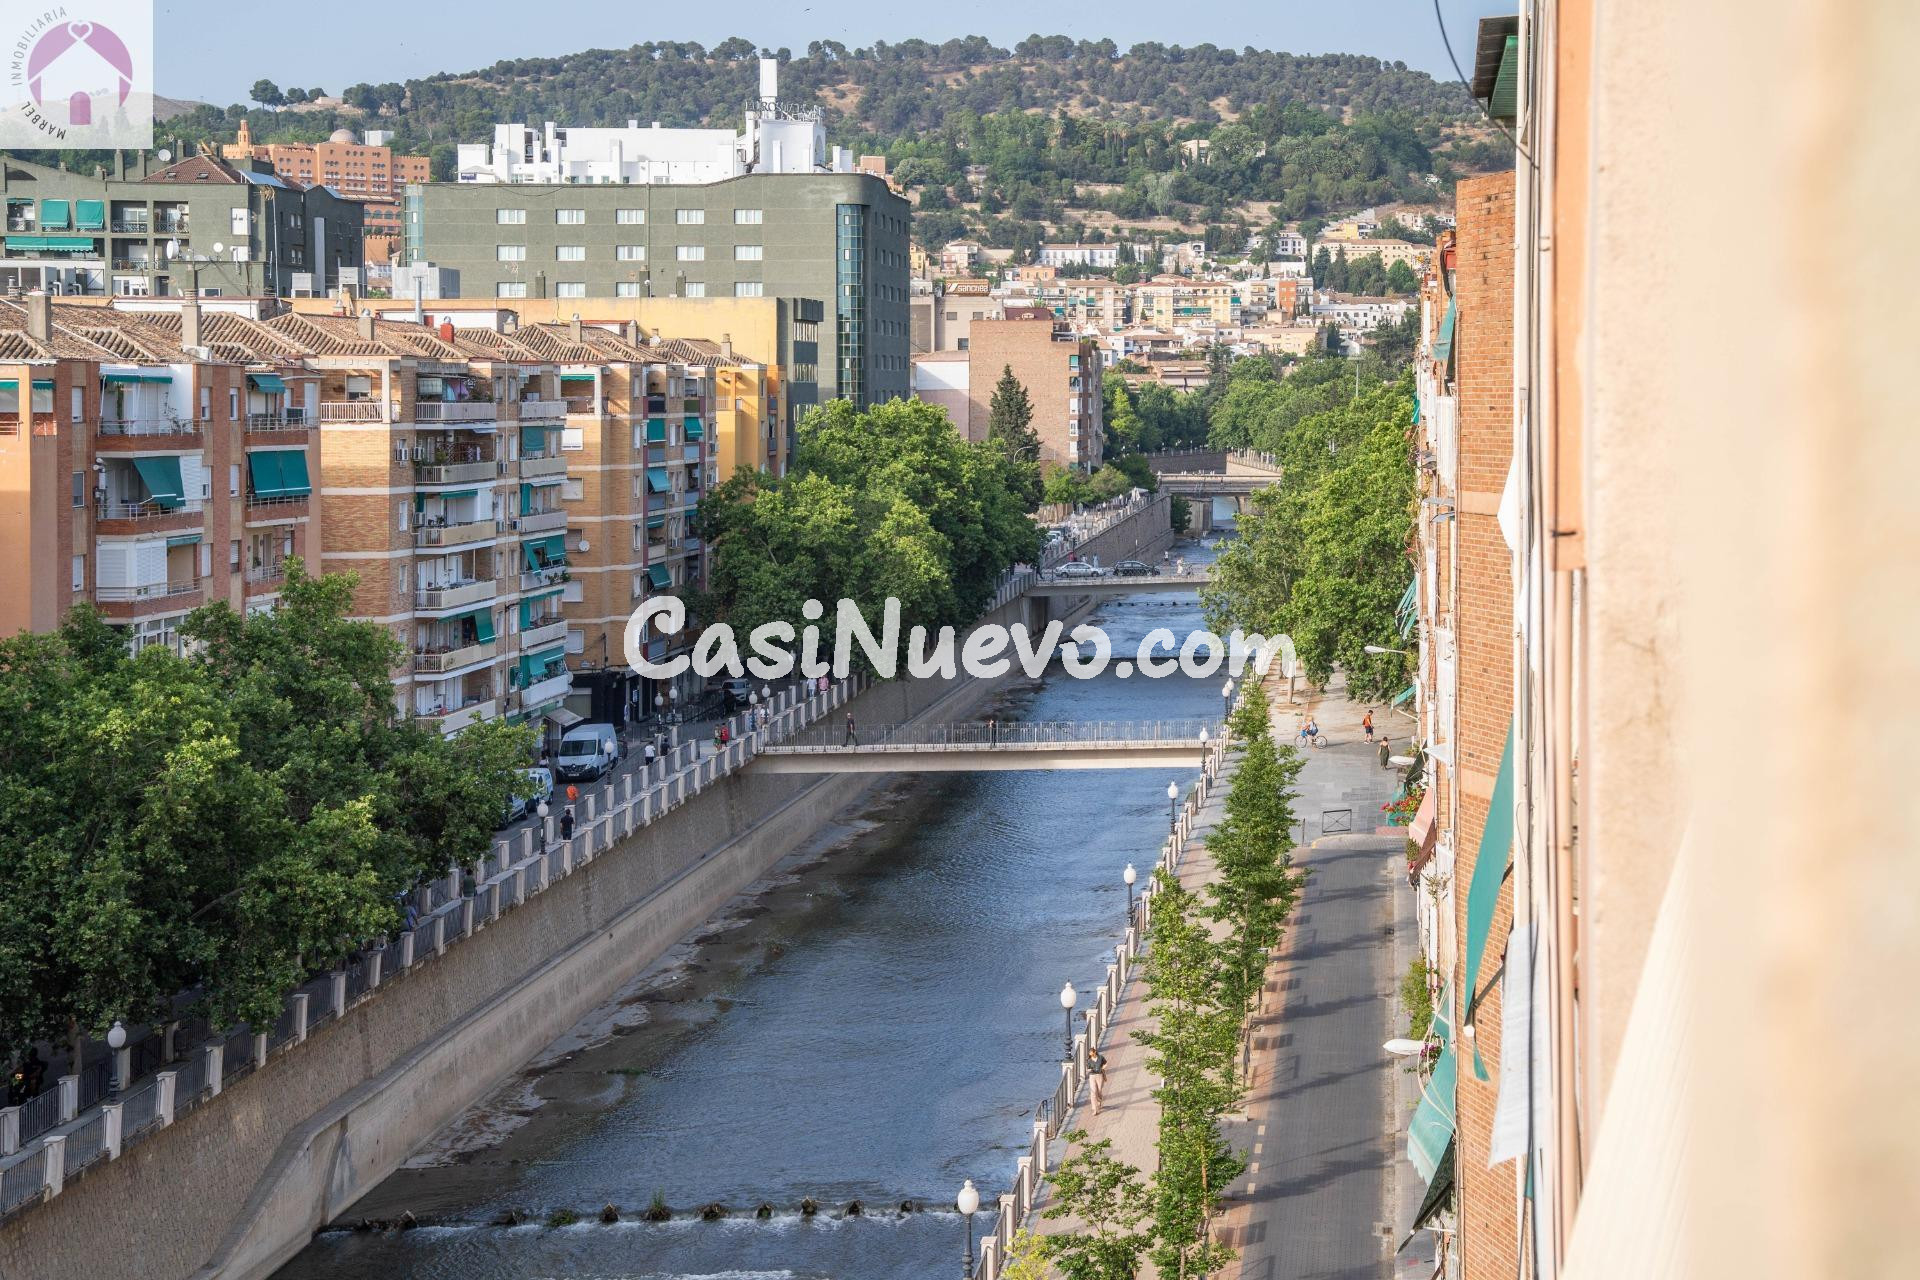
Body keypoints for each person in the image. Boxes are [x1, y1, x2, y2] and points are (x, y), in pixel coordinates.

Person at [1087, 1041, 1107, 1115]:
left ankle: (1099, 1100)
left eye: (1092, 1053)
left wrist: (1103, 1068)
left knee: (1099, 1090)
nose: (1092, 1055)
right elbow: (1088, 1068)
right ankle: (1094, 1109)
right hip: (1092, 1076)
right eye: (1090, 1054)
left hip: (1099, 1075)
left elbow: (1106, 1063)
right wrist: (1090, 1070)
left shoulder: (1101, 1058)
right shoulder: (1089, 1061)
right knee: (1093, 1092)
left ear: (1095, 1052)